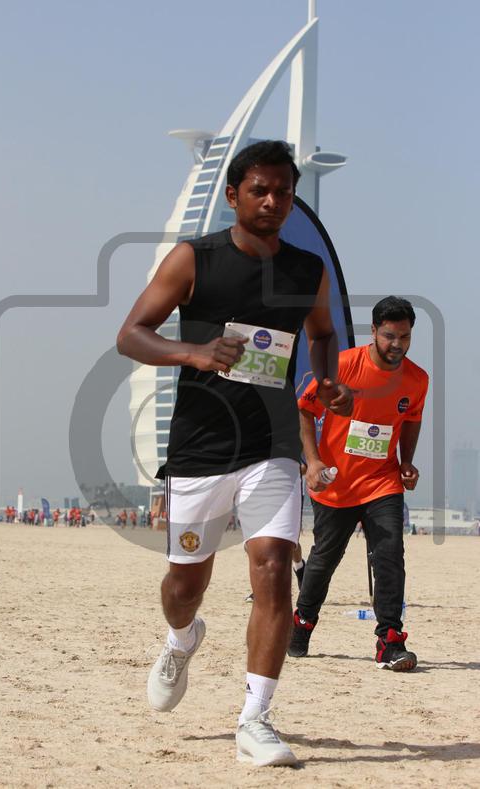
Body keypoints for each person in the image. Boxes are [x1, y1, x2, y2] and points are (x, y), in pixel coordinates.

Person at [117, 140, 352, 766]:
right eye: (260, 190)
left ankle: (256, 718)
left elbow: (323, 333)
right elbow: (131, 335)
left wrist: (326, 380)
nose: (273, 201)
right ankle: (181, 639)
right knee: (184, 585)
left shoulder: (307, 270)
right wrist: (193, 353)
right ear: (233, 195)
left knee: (273, 567)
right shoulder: (194, 259)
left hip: (272, 445)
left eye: (284, 192)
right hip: (200, 447)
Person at [287, 297, 428, 672]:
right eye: (389, 336)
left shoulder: (417, 379)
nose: (397, 344)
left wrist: (407, 462)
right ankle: (302, 623)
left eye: (404, 336)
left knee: (389, 554)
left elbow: (412, 419)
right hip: (336, 483)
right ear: (374, 331)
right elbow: (304, 409)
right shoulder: (343, 366)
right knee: (324, 560)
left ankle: (390, 641)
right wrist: (313, 461)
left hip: (382, 482)